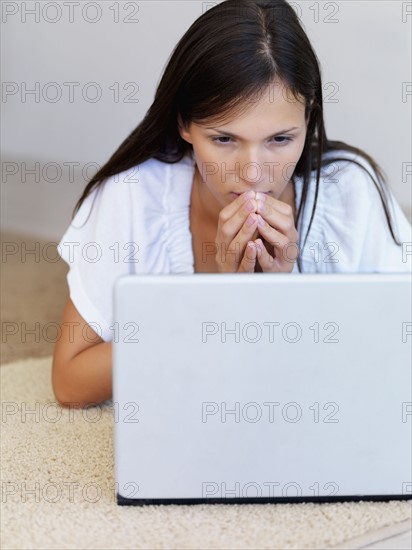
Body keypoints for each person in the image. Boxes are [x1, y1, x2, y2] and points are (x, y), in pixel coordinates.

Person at [52, 0, 412, 408]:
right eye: (224, 140)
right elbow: (71, 384)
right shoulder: (133, 195)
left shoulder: (351, 192)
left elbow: (393, 359)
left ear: (308, 120)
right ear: (184, 124)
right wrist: (212, 301)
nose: (254, 174)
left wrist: (284, 298)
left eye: (280, 139)